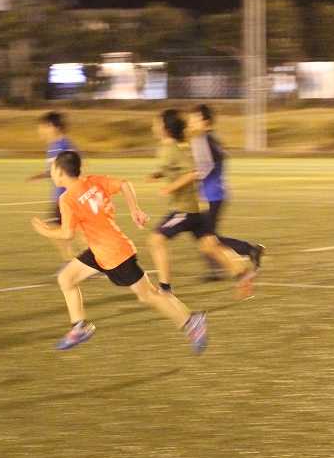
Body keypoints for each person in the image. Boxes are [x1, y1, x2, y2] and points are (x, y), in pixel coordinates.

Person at [31, 150, 208, 354]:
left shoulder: (67, 199)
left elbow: (67, 234)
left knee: (147, 295)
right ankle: (79, 326)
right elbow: (124, 184)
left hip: (113, 255)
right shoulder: (93, 181)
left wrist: (45, 231)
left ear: (61, 172)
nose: (51, 174)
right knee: (66, 278)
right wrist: (135, 210)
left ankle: (191, 321)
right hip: (102, 250)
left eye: (53, 170)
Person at [146, 109, 256, 299]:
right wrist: (158, 174)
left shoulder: (171, 149)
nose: (153, 127)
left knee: (155, 240)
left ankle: (165, 289)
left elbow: (193, 172)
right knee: (208, 246)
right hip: (194, 208)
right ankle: (242, 274)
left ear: (165, 128)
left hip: (185, 210)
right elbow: (174, 167)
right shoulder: (169, 148)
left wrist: (170, 187)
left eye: (156, 124)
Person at [188, 104, 264, 280]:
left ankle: (249, 250)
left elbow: (204, 168)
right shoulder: (209, 139)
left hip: (211, 196)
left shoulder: (202, 140)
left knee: (207, 238)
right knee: (203, 234)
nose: (190, 122)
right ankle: (218, 267)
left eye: (194, 119)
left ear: (206, 122)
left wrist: (186, 180)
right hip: (215, 194)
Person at [26, 111, 76, 261]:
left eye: (42, 127)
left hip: (65, 195)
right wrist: (40, 175)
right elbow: (56, 170)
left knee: (54, 228)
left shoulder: (62, 145)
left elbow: (72, 168)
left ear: (52, 126)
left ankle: (73, 261)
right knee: (65, 229)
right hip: (61, 195)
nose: (40, 130)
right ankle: (76, 260)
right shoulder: (55, 146)